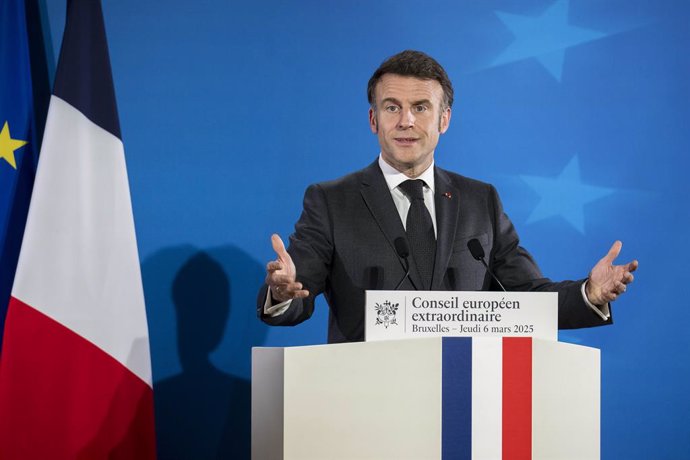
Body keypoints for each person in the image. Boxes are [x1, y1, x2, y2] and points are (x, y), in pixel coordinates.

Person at [258, 50, 637, 343]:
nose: (406, 120)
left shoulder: (480, 202)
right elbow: (297, 292)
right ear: (374, 120)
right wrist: (282, 291)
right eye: (392, 107)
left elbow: (526, 297)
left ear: (444, 120)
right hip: (367, 402)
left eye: (420, 108)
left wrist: (589, 293)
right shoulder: (331, 201)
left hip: (463, 401)